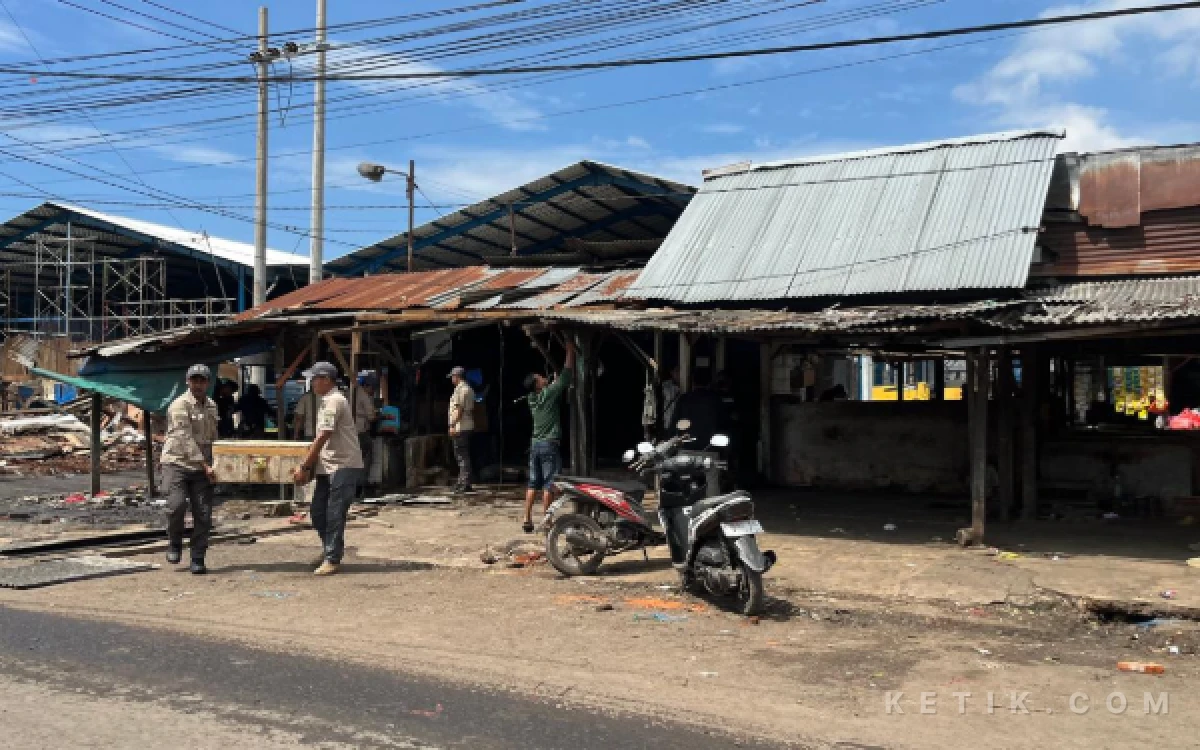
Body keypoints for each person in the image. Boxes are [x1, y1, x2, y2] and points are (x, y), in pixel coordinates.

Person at [291, 361, 364, 576]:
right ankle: (330, 550)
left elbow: (324, 435)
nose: (312, 383)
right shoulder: (326, 401)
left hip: (343, 464)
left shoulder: (334, 401)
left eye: (315, 378)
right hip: (328, 465)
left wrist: (305, 466)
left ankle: (332, 557)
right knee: (317, 512)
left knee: (334, 513)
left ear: (326, 379)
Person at [161, 364, 219, 575]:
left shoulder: (212, 406)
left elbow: (213, 438)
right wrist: (205, 464)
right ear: (187, 382)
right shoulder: (179, 405)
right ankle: (174, 541)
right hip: (177, 463)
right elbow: (184, 438)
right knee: (176, 506)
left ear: (207, 383)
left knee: (203, 514)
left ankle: (198, 557)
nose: (198, 384)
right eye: (194, 380)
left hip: (202, 468)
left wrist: (216, 463)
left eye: (202, 380)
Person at [522, 340, 576, 533]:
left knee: (533, 483)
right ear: (537, 385)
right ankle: (547, 521)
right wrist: (570, 350)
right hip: (549, 445)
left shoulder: (531, 399)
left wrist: (551, 384)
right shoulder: (549, 394)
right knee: (549, 484)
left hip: (535, 444)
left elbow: (550, 389)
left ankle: (527, 519)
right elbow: (567, 373)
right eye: (540, 377)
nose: (543, 377)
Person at [447, 366, 476, 492]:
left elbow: (458, 410)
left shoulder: (460, 390)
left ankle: (464, 483)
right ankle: (463, 481)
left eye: (452, 376)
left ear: (457, 377)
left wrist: (452, 425)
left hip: (461, 426)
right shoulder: (469, 389)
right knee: (464, 455)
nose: (452, 379)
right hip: (467, 425)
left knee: (461, 456)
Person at [352, 371, 380, 488]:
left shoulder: (351, 392)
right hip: (360, 432)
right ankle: (361, 485)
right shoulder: (364, 396)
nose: (373, 392)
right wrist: (381, 415)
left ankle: (354, 485)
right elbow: (371, 417)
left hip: (349, 432)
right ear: (368, 386)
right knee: (366, 457)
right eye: (373, 389)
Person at [661, 366, 682, 433]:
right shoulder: (665, 386)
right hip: (668, 423)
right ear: (672, 373)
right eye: (677, 371)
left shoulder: (689, 386)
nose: (679, 374)